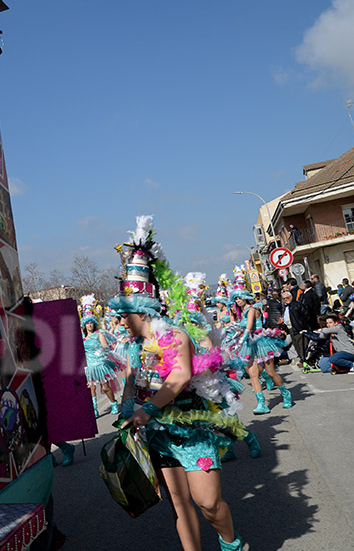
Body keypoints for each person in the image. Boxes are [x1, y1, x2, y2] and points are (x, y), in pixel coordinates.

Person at [111, 216, 247, 551]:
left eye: (122, 314)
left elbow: (180, 375)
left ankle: (231, 543)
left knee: (208, 503)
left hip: (191, 427)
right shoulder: (133, 346)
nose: (119, 320)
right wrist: (128, 408)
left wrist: (147, 409)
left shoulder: (173, 335)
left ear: (139, 310)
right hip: (157, 434)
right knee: (180, 505)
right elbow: (131, 380)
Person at [227, 267, 292, 414]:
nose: (237, 301)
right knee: (253, 374)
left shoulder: (251, 310)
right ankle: (261, 403)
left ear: (246, 297)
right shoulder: (243, 312)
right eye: (235, 298)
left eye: (240, 297)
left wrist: (239, 342)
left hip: (260, 342)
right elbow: (243, 329)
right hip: (250, 344)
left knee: (271, 373)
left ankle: (286, 394)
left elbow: (249, 328)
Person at [79, 296, 122, 417]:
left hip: (100, 364)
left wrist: (102, 350)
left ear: (94, 323)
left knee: (105, 386)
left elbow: (107, 347)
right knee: (90, 388)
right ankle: (94, 409)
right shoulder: (82, 338)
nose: (89, 325)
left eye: (91, 322)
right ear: (84, 325)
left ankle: (113, 403)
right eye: (87, 323)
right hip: (89, 365)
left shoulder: (99, 334)